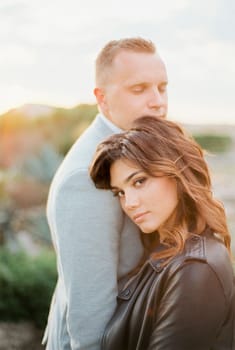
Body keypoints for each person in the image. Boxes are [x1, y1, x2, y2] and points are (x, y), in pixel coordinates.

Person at [42, 37, 168, 349]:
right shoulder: (84, 178)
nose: (157, 101)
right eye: (139, 89)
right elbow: (90, 312)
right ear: (102, 98)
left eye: (162, 87)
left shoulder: (134, 146)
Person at [90, 115, 235, 350]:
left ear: (177, 173)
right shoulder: (163, 251)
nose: (129, 203)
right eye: (120, 193)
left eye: (138, 182)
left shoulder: (196, 269)